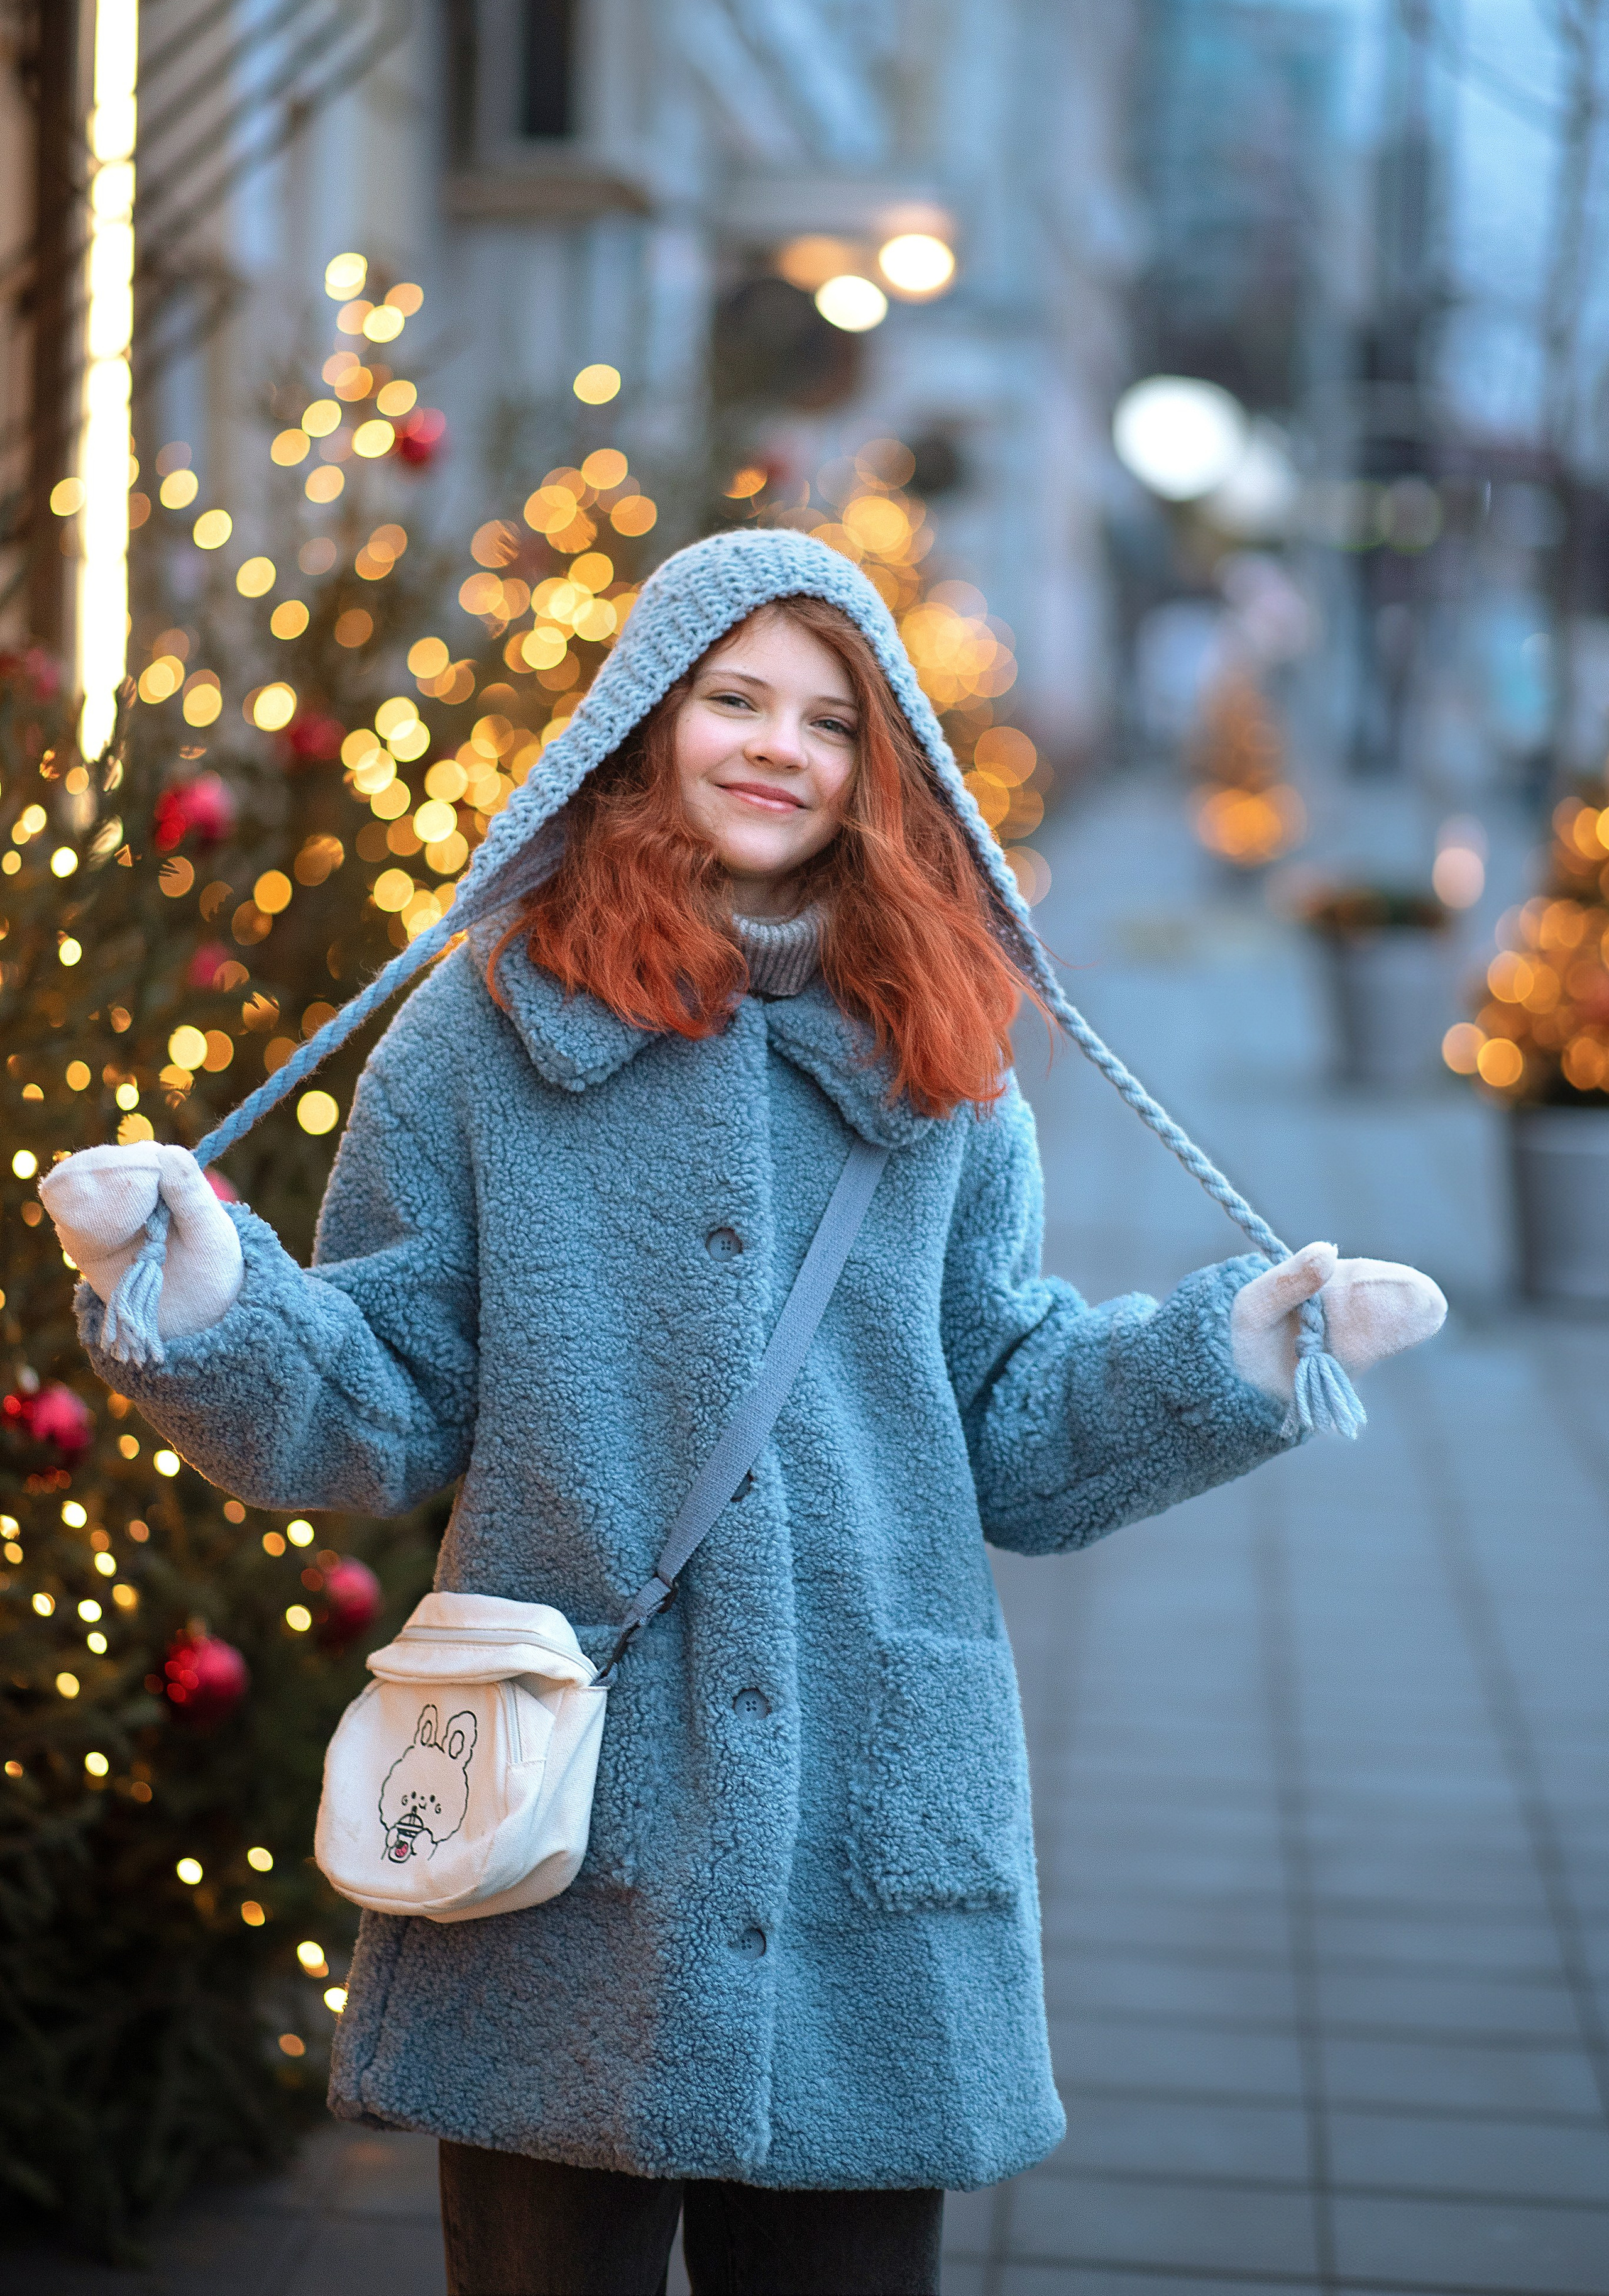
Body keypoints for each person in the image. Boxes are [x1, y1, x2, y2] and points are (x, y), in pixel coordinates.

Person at [43, 531, 1444, 2296]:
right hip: (568, 1836)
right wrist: (200, 1296)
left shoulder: (938, 1051)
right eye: (736, 700)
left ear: (884, 766)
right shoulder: (478, 1038)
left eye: (830, 718)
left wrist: (1237, 1347)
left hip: (869, 1830)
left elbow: (1012, 1415)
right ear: (645, 721)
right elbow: (379, 1409)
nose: (780, 746)